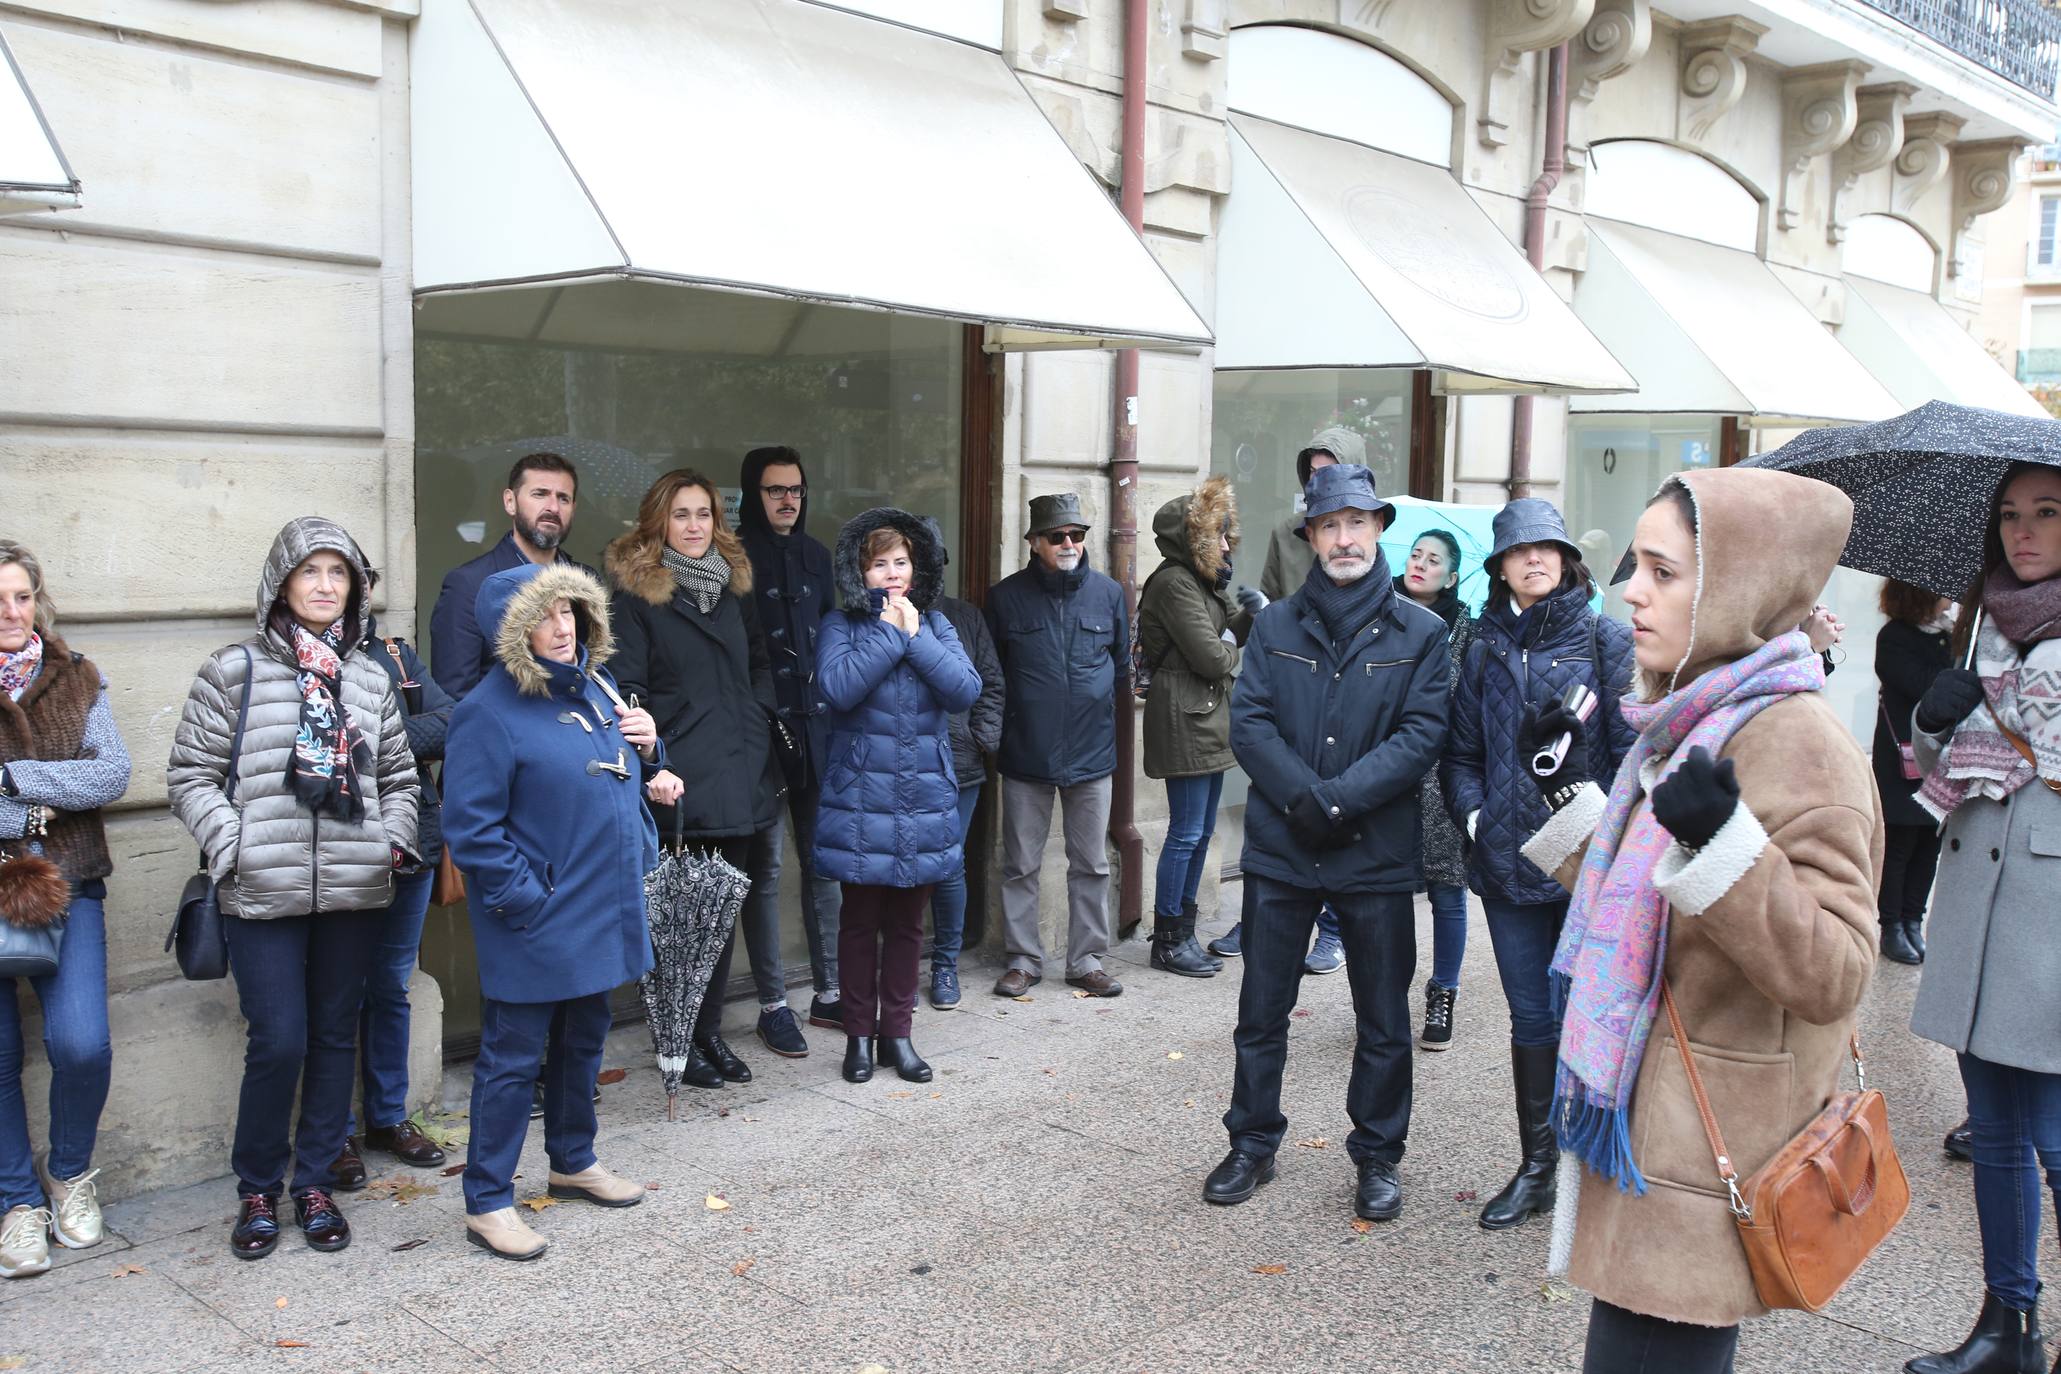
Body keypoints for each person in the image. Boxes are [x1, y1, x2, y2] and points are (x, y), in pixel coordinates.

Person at [1514, 469, 1878, 1373]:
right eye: (1634, 565)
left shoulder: (1796, 742)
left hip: (1710, 1145)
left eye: (1662, 571)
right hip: (1659, 1126)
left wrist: (1726, 847)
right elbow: (1645, 899)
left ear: (1738, 589)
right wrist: (1567, 796)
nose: (1629, 590)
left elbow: (1835, 971)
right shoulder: (1692, 713)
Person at [167, 518, 421, 1261]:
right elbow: (189, 776)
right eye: (308, 572)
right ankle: (257, 1189)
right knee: (278, 1041)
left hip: (353, 888)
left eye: (337, 574)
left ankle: (313, 1183)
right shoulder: (234, 670)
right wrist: (232, 843)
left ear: (354, 588)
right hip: (261, 890)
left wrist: (390, 840)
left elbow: (401, 778)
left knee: (335, 1037)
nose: (322, 586)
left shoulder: (370, 677)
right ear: (282, 582)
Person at [1204, 463, 1449, 1222]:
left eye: (1356, 523)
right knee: (1260, 1012)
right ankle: (1251, 1142)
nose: (1343, 538)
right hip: (1284, 851)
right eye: (1328, 524)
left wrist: (1337, 800)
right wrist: (1301, 800)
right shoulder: (1274, 625)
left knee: (1381, 1021)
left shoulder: (1422, 632)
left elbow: (1421, 734)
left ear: (1379, 529)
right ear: (1310, 536)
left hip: (1373, 854)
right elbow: (1248, 723)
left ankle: (1377, 1156)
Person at [441, 564, 671, 1261]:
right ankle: (487, 1200)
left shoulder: (596, 689)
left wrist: (652, 749)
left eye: (571, 610)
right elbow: (471, 828)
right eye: (546, 615)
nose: (564, 625)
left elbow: (623, 781)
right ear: (513, 630)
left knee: (584, 1037)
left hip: (604, 902)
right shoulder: (486, 710)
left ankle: (573, 1160)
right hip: (537, 917)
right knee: (513, 1057)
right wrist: (526, 901)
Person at [1904, 462, 2061, 1374]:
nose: (2023, 531)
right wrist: (1934, 717)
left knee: (2051, 1136)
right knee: (1994, 1134)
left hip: (2048, 920)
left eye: (2046, 512)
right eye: (2009, 515)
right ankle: (2009, 1328)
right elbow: (1946, 762)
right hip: (1975, 905)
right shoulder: (1982, 629)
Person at [1442, 496, 1634, 1234]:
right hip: (1505, 866)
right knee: (1530, 1019)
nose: (1533, 560)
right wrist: (1477, 816)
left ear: (1564, 559)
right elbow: (1460, 754)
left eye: (1545, 549)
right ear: (1499, 568)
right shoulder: (1482, 647)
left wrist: (1604, 839)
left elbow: (1628, 759)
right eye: (1518, 552)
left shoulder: (1603, 640)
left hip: (1586, 868)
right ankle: (1536, 1167)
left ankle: (1593, 1167)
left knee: (1587, 1014)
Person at [607, 470, 782, 1087]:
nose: (694, 526)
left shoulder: (735, 586)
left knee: (722, 913)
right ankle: (678, 1038)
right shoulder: (635, 594)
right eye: (680, 515)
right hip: (678, 779)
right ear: (658, 522)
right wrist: (657, 758)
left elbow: (761, 663)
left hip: (739, 767)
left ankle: (709, 1033)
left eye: (703, 514)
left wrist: (758, 720)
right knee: (681, 920)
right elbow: (628, 687)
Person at [813, 511, 981, 1083]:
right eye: (879, 563)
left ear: (915, 569)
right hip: (861, 796)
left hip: (922, 796)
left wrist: (915, 636)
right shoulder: (841, 624)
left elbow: (965, 690)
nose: (890, 573)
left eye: (900, 563)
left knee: (910, 924)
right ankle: (858, 1037)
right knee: (859, 922)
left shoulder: (934, 623)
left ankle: (898, 1037)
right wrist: (890, 634)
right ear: (862, 572)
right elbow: (837, 688)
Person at [0, 543, 129, 1280]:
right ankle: (18, 1203)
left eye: (21, 597)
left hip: (69, 882)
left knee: (82, 1044)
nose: (10, 614)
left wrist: (14, 777)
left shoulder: (78, 675)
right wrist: (43, 803)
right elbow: (79, 780)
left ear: (37, 602)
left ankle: (70, 1172)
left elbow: (111, 771)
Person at [1221, 425, 1366, 972]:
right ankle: (1259, 915)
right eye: (1310, 472)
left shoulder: (1377, 530)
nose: (1317, 480)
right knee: (1278, 801)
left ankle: (1332, 929)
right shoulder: (1288, 531)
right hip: (1292, 680)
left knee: (1338, 805)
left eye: (1328, 470)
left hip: (1351, 683)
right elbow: (1273, 607)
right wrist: (1254, 612)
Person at [328, 569, 455, 1193]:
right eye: (321, 574)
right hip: (334, 849)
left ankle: (386, 1116)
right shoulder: (288, 663)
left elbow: (452, 719)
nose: (342, 588)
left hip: (412, 841)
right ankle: (334, 1133)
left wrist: (374, 734)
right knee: (334, 992)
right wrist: (401, 738)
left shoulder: (395, 653)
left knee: (391, 984)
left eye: (353, 577)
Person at [986, 493, 1130, 999]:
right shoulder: (1005, 598)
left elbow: (1122, 668)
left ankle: (1086, 959)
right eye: (1057, 536)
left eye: (1077, 534)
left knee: (1091, 863)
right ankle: (1023, 959)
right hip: (1026, 752)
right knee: (1021, 863)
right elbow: (992, 677)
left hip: (1092, 754)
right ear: (1034, 542)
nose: (1069, 543)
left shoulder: (1109, 594)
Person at [735, 445, 844, 1041]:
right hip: (762, 738)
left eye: (796, 490)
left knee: (823, 865)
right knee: (768, 869)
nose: (787, 500)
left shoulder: (816, 556)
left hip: (818, 730)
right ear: (755, 493)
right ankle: (774, 1003)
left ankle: (829, 992)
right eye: (775, 489)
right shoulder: (731, 558)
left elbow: (830, 637)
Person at [1138, 476, 1252, 978]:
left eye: (1228, 535)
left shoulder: (1203, 579)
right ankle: (1168, 938)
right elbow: (1210, 657)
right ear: (1195, 539)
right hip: (1184, 713)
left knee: (1202, 830)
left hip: (1205, 715)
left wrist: (1252, 613)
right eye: (1219, 536)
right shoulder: (1173, 582)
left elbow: (1233, 632)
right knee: (1185, 832)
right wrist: (1230, 644)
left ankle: (1183, 929)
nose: (1228, 544)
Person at [1393, 530, 1474, 1051]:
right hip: (1389, 773)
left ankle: (1443, 990)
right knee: (1389, 893)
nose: (1421, 564)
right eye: (1415, 555)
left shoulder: (1467, 631)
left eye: (1434, 559)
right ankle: (1386, 992)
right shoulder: (1379, 614)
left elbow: (1465, 702)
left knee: (1447, 889)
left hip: (1442, 775)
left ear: (1452, 574)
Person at [923, 520, 1004, 1011]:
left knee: (950, 867)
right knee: (900, 873)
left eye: (934, 560)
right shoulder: (877, 619)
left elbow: (991, 684)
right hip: (899, 769)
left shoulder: (965, 617)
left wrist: (979, 738)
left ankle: (945, 964)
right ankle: (894, 967)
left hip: (960, 765)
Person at [429, 451, 585, 701]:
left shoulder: (585, 582)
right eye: (540, 494)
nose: (553, 507)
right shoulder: (469, 585)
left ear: (573, 509)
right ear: (510, 502)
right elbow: (454, 699)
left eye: (563, 498)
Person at [1873, 579, 1954, 967]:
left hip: (1941, 759)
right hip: (1903, 761)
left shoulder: (1954, 638)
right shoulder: (1894, 637)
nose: (1949, 598)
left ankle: (1913, 922)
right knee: (1900, 846)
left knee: (1929, 846)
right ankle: (1891, 926)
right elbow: (1925, 687)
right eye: (1942, 591)